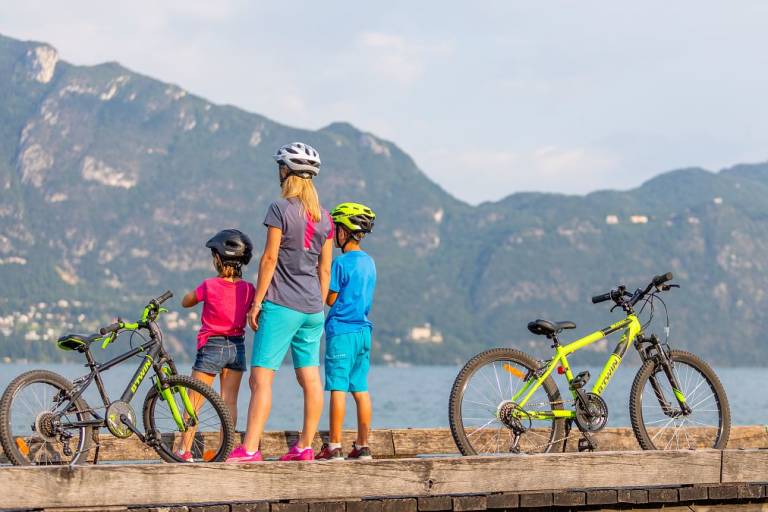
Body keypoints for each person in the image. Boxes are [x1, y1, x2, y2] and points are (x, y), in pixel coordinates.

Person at [227, 142, 334, 462]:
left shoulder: (280, 209)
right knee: (310, 378)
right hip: (313, 309)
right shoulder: (325, 218)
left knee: (261, 377)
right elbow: (324, 268)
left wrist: (257, 302)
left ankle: (249, 448)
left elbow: (270, 258)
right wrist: (319, 303)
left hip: (281, 304)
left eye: (281, 167)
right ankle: (304, 447)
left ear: (287, 172)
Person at [177, 229, 255, 462]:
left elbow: (186, 301)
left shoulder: (209, 285)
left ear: (219, 259)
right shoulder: (249, 289)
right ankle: (225, 450)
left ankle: (184, 450)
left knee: (195, 400)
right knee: (228, 401)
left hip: (211, 346)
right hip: (236, 347)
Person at [316, 203, 377, 461]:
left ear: (344, 231)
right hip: (364, 332)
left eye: (337, 228)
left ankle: (335, 445)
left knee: (338, 388)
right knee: (360, 389)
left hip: (342, 331)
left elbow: (330, 299)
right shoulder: (370, 262)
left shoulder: (340, 263)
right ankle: (363, 445)